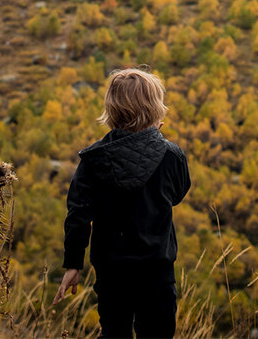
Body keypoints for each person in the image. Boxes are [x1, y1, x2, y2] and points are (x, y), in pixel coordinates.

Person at [52, 68, 191, 338]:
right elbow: (178, 194)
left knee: (114, 332)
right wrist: (154, 142)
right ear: (155, 109)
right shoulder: (172, 156)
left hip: (111, 272)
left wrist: (73, 264)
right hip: (157, 270)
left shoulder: (93, 159)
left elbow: (78, 215)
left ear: (111, 110)